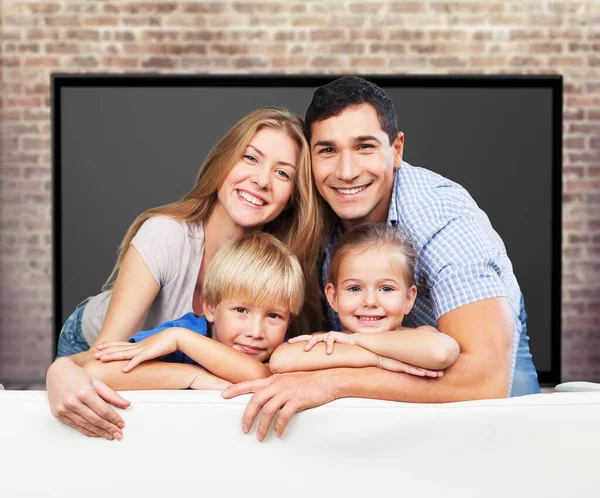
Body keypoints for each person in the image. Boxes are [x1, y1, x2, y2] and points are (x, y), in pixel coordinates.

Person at [222, 76, 541, 442]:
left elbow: (485, 379)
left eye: (364, 147)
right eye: (327, 150)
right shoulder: (310, 208)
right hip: (375, 368)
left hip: (474, 367)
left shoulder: (444, 219)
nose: (346, 171)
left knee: (508, 433)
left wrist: (334, 382)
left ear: (397, 149)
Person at [46, 107, 326, 440]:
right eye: (250, 158)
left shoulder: (277, 265)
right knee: (95, 417)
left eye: (282, 174)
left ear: (292, 197)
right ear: (224, 162)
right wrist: (61, 369)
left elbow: (262, 372)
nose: (262, 180)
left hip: (174, 362)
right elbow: (101, 361)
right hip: (95, 345)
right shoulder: (165, 235)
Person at [84, 232, 305, 392]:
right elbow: (96, 372)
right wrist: (192, 376)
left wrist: (180, 340)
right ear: (209, 307)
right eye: (241, 310)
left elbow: (258, 375)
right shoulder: (184, 332)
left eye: (273, 316)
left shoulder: (283, 353)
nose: (256, 332)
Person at [269, 222, 460, 376]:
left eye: (386, 288)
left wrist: (356, 341)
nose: (370, 302)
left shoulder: (420, 335)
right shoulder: (326, 341)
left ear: (409, 299)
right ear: (333, 297)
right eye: (354, 288)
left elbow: (440, 353)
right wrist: (377, 360)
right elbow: (280, 360)